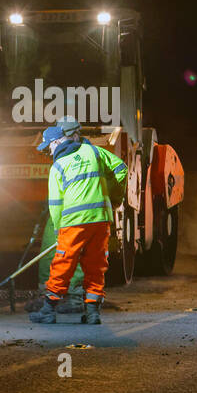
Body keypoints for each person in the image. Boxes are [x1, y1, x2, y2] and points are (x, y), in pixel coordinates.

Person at [34, 117, 128, 325]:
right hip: (101, 220)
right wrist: (114, 198)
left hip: (74, 222)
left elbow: (56, 204)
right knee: (96, 266)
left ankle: (48, 311)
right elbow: (121, 169)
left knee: (63, 264)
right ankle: (93, 313)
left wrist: (59, 229)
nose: (48, 151)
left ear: (58, 142)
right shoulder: (94, 152)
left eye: (49, 146)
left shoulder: (58, 166)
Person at [26, 126, 85, 321]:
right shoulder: (61, 161)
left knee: (70, 253)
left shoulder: (84, 156)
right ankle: (47, 295)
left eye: (49, 146)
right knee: (50, 251)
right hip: (59, 214)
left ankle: (74, 297)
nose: (48, 151)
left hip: (74, 214)